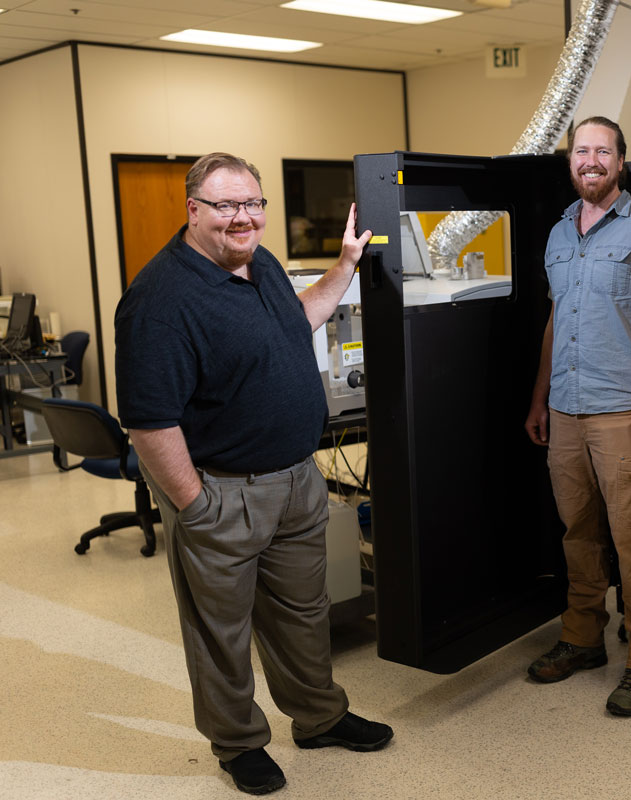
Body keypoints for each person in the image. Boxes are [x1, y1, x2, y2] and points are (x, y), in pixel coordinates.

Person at [115, 153, 392, 795]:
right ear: (193, 210)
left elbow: (294, 323)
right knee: (222, 634)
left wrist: (345, 267)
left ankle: (318, 717)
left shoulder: (255, 261)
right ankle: (238, 743)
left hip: (297, 481)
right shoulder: (160, 302)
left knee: (302, 613)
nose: (243, 218)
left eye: (253, 204)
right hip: (222, 494)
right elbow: (149, 424)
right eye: (226, 206)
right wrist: (196, 506)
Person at [523, 117, 631, 716]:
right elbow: (555, 320)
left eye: (603, 151)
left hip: (622, 410)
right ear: (571, 162)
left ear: (621, 161)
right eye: (581, 151)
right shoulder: (561, 231)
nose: (591, 160)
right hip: (565, 409)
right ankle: (583, 639)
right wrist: (540, 396)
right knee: (578, 534)